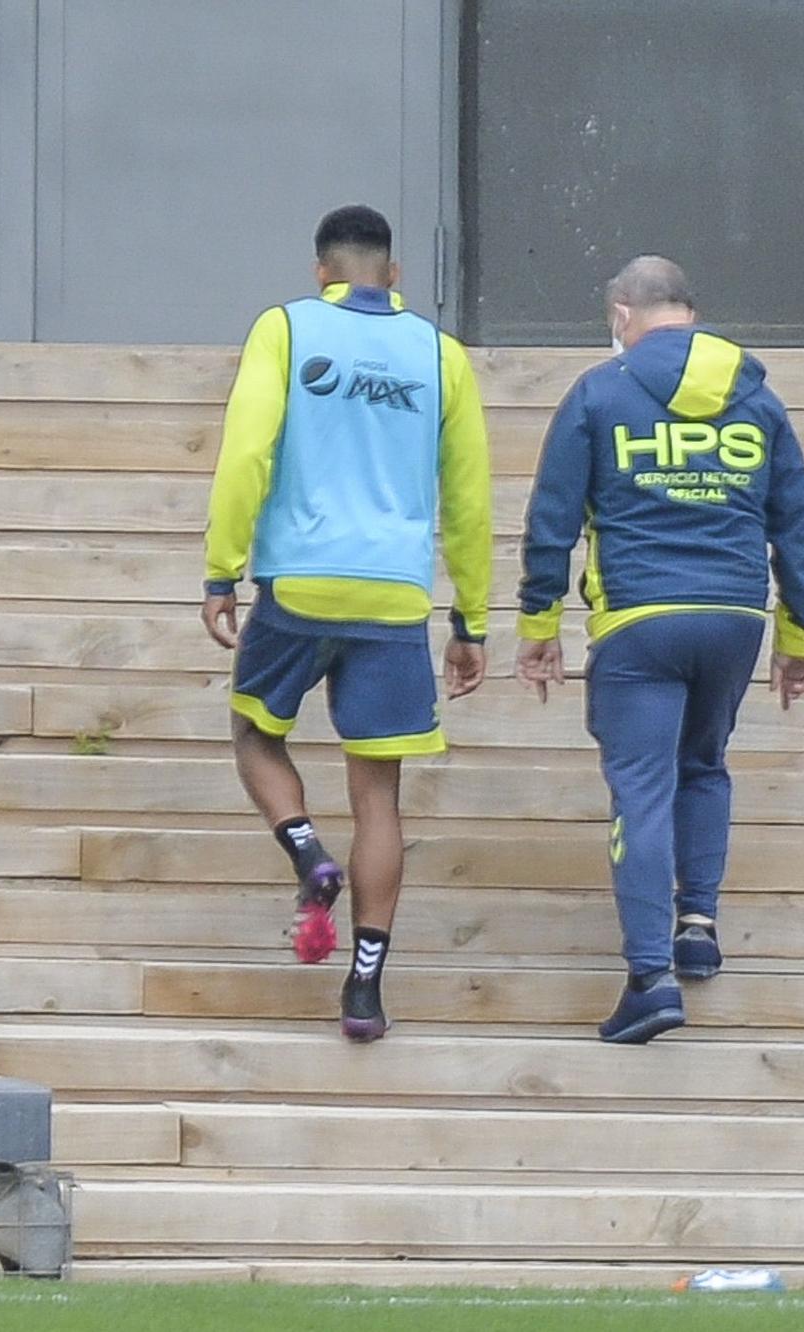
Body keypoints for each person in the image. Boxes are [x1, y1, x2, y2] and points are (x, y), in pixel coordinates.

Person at [201, 204, 492, 1043]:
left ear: (320, 272)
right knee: (380, 799)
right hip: (395, 598)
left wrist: (223, 568)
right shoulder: (442, 357)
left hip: (300, 586)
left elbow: (246, 452)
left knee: (256, 736)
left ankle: (304, 855)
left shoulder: (286, 330)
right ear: (393, 275)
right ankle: (364, 991)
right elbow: (469, 502)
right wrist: (471, 616)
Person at [515, 256, 804, 1045]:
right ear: (689, 311)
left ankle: (650, 979)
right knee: (705, 765)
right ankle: (697, 924)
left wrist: (538, 627)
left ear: (624, 312)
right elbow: (795, 525)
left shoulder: (600, 392)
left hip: (639, 620)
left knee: (643, 789)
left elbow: (553, 516)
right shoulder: (759, 400)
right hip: (732, 615)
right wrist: (799, 637)